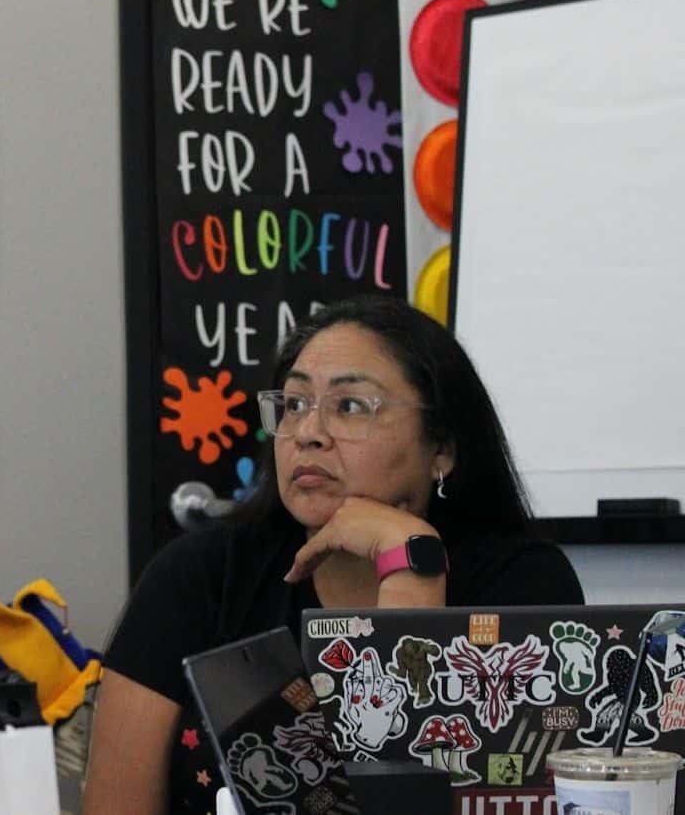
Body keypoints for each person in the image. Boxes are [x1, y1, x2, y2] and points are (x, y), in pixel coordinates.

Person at [81, 295, 583, 815]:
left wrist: (410, 565)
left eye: (349, 406)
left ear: (442, 449)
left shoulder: (524, 584)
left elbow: (413, 796)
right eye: (294, 404)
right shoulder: (199, 575)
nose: (307, 433)